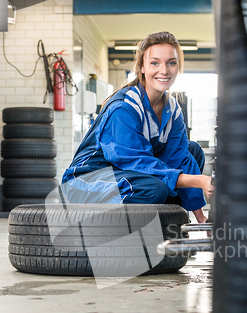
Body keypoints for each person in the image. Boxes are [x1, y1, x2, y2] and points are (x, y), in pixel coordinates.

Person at [62, 31, 214, 224]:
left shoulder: (172, 109)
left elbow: (180, 159)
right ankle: (112, 233)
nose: (164, 70)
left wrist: (202, 218)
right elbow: (136, 163)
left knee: (193, 151)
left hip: (126, 176)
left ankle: (170, 221)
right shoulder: (124, 109)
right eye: (155, 63)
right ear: (142, 67)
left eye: (171, 63)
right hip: (88, 180)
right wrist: (198, 181)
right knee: (153, 188)